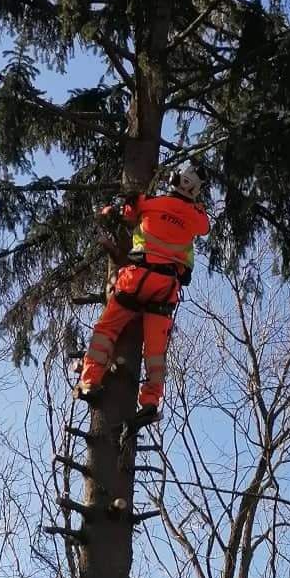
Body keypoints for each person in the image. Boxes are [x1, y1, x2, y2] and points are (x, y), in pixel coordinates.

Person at [75, 164, 209, 422]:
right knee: (156, 352)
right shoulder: (196, 216)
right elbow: (204, 228)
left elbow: (127, 214)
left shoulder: (151, 203)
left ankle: (90, 380)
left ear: (174, 180)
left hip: (137, 278)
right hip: (165, 287)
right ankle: (150, 401)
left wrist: (127, 202)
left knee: (107, 329)